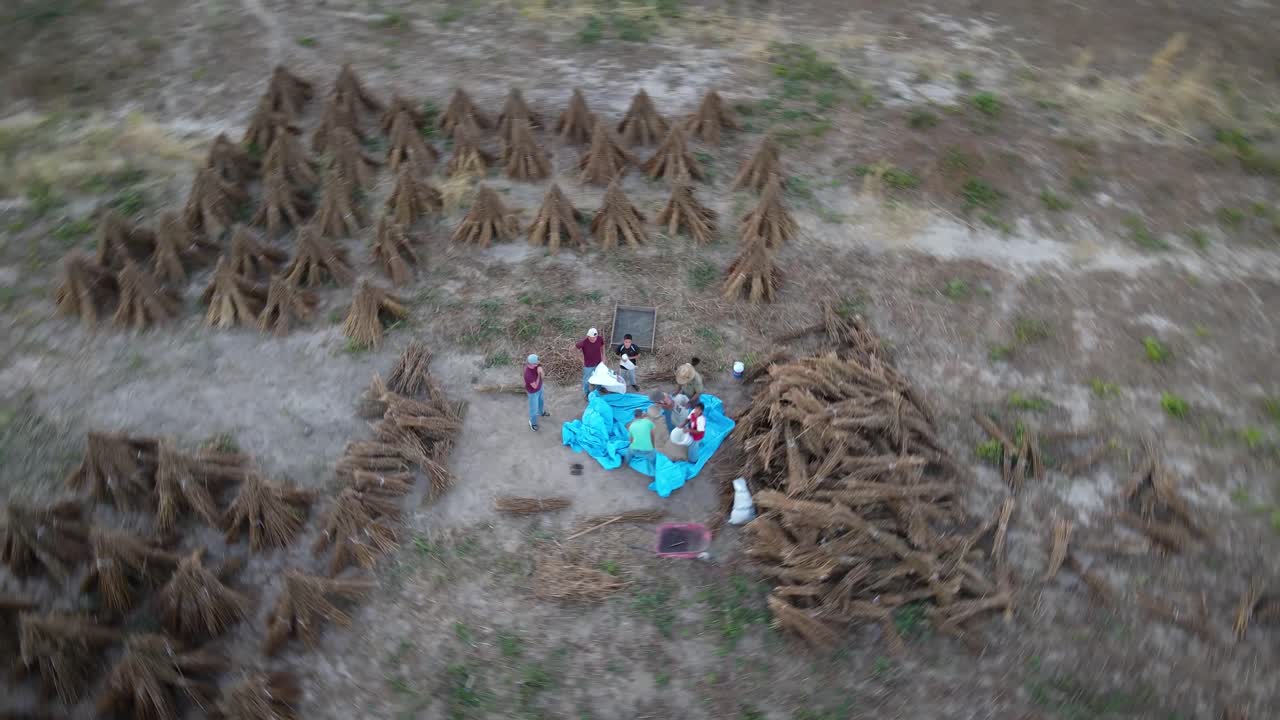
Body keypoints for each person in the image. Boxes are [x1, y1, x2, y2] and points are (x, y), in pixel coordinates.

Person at [575, 327, 604, 398]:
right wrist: (580, 359)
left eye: (595, 337)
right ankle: (587, 393)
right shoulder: (583, 342)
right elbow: (574, 348)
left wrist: (603, 356)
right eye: (592, 338)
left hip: (598, 363)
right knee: (586, 379)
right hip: (588, 365)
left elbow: (602, 346)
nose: (594, 339)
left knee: (599, 376)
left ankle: (599, 388)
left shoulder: (599, 339)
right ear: (588, 336)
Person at [524, 354, 550, 431]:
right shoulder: (527, 374)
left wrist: (541, 372)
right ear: (531, 364)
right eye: (536, 363)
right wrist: (538, 374)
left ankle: (541, 412)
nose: (538, 363)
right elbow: (534, 386)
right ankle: (533, 423)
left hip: (540, 388)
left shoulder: (537, 365)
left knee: (541, 402)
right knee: (533, 409)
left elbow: (543, 377)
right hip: (533, 392)